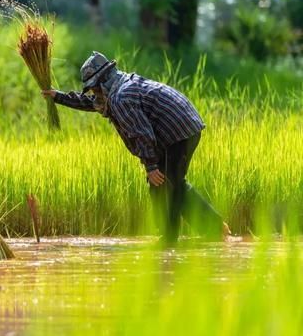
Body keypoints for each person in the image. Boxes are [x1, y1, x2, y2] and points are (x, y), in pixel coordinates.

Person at [41, 51, 230, 245]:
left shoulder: (122, 97)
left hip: (179, 130)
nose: (93, 92)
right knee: (164, 184)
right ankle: (210, 229)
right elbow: (94, 104)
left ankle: (172, 240)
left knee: (170, 184)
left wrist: (151, 166)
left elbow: (142, 132)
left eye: (95, 87)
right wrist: (59, 97)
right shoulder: (116, 88)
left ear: (104, 80)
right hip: (179, 127)